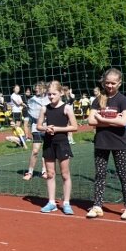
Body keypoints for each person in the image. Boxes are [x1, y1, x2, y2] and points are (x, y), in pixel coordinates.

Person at [87, 68, 126, 220]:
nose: (110, 86)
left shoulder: (123, 100)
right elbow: (91, 121)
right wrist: (114, 119)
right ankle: (97, 206)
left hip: (119, 143)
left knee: (122, 174)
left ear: (119, 83)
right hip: (101, 142)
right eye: (107, 83)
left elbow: (124, 122)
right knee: (100, 174)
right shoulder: (98, 99)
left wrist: (103, 119)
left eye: (113, 83)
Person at [37, 81, 78, 215]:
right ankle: (51, 202)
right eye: (49, 94)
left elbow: (74, 127)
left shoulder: (67, 108)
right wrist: (45, 128)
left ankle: (66, 203)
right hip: (49, 143)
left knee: (65, 174)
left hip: (62, 143)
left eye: (54, 94)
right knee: (50, 174)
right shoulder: (44, 108)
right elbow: (38, 126)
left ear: (60, 93)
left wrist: (58, 129)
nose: (51, 96)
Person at [23, 82, 49, 180]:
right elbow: (31, 114)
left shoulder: (49, 98)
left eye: (39, 88)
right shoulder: (32, 100)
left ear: (44, 89)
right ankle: (30, 172)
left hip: (47, 127)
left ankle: (44, 171)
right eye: (36, 88)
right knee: (35, 151)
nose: (36, 89)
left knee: (46, 151)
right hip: (36, 127)